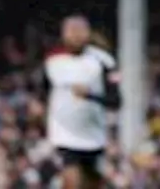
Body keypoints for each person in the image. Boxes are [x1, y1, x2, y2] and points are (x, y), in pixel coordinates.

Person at [43, 15, 120, 189]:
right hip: (63, 136)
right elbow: (44, 90)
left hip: (94, 137)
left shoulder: (103, 61)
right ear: (63, 34)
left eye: (80, 30)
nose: (76, 35)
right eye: (71, 31)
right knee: (72, 182)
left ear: (88, 33)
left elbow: (116, 101)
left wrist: (90, 96)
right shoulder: (52, 60)